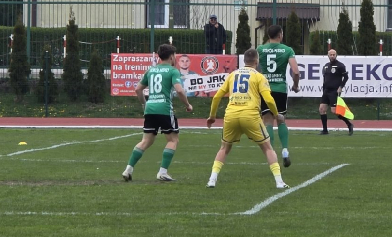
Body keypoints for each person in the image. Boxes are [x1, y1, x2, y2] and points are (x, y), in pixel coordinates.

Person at [206, 48, 287, 189]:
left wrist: (212, 116)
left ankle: (212, 180)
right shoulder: (259, 76)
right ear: (257, 61)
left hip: (231, 114)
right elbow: (268, 98)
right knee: (267, 148)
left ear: (244, 61)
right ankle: (279, 182)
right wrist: (276, 114)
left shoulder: (232, 75)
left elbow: (217, 96)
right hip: (250, 115)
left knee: (224, 148)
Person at [122, 43, 193, 183]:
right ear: (172, 56)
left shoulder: (151, 70)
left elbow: (138, 89)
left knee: (146, 141)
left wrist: (144, 104)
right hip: (164, 109)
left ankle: (128, 169)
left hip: (150, 109)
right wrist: (188, 105)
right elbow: (179, 90)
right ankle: (162, 172)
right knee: (173, 140)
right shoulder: (173, 71)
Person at [256, 25, 300, 165]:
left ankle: (272, 152)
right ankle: (285, 150)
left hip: (265, 89)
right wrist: (295, 85)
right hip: (280, 89)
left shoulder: (260, 49)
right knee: (281, 120)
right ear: (280, 34)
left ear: (268, 35)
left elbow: (255, 69)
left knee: (267, 121)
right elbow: (296, 71)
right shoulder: (288, 50)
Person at [319, 49, 353, 135]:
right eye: (331, 54)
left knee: (335, 111)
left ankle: (349, 124)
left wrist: (341, 87)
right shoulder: (326, 66)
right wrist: (323, 89)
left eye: (334, 54)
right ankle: (325, 130)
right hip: (326, 91)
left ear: (336, 55)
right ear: (328, 55)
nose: (332, 56)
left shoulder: (340, 66)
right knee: (322, 109)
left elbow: (346, 77)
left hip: (334, 91)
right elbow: (325, 78)